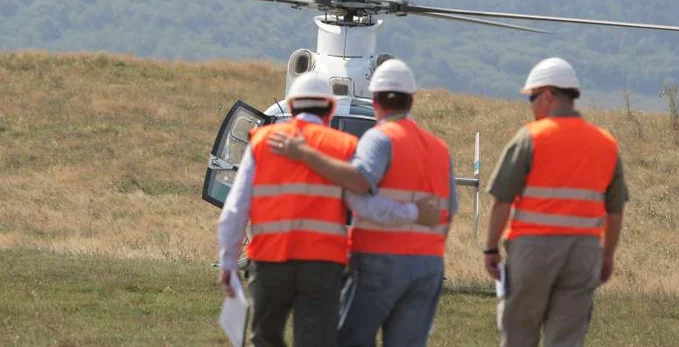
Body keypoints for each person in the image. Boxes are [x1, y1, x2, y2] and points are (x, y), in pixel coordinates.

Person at [218, 72, 441, 347]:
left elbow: (235, 209)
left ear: (291, 105)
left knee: (265, 338)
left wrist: (228, 261)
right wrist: (413, 212)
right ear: (330, 109)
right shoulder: (344, 147)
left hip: (269, 261)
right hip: (322, 266)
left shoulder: (262, 141)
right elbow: (366, 207)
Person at [268, 59, 457, 347]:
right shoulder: (440, 149)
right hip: (428, 266)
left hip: (378, 259)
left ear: (376, 100)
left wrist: (306, 154)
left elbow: (358, 180)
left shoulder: (380, 139)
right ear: (412, 100)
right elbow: (448, 213)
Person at [482, 57, 629, 347]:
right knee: (567, 338)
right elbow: (615, 211)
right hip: (584, 253)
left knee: (519, 333)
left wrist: (490, 248)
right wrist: (607, 255)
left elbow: (502, 200)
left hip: (533, 251)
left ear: (548, 95)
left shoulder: (531, 138)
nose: (532, 106)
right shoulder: (606, 143)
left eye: (533, 98)